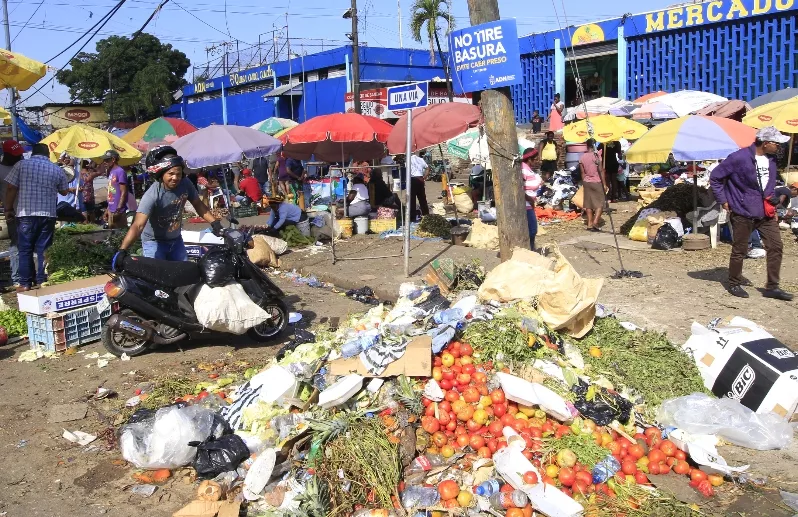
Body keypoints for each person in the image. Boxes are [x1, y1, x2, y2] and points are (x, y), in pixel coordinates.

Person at [709, 126, 793, 301]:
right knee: (740, 249)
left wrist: (774, 202)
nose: (779, 147)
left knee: (776, 246)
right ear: (765, 143)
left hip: (765, 212)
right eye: (777, 144)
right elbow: (715, 177)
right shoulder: (738, 158)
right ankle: (734, 283)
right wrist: (723, 200)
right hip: (742, 211)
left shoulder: (771, 160)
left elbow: (767, 184)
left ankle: (772, 287)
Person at [115, 146, 220, 263]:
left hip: (176, 240)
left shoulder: (185, 183)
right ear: (161, 173)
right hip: (154, 242)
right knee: (156, 277)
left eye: (178, 174)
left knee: (183, 274)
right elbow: (138, 225)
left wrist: (214, 223)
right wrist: (122, 250)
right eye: (170, 174)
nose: (175, 178)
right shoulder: (152, 195)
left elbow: (198, 204)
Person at [3, 143, 69, 291]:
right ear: (47, 155)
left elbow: (11, 188)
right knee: (44, 249)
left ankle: (25, 283)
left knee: (25, 249)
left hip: (26, 215)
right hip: (48, 215)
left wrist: (8, 208)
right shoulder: (56, 168)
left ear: (33, 153)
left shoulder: (21, 165)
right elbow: (64, 191)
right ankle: (42, 280)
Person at [0, 140, 24, 288]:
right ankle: (16, 278)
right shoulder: (0, 170)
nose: (19, 156)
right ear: (7, 154)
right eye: (15, 154)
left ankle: (28, 275)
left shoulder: (21, 166)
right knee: (16, 245)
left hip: (28, 211)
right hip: (12, 214)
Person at [579, 140, 606, 232]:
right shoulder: (596, 156)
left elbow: (582, 173)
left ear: (587, 146)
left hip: (587, 181)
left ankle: (589, 224)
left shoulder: (582, 157)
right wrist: (604, 183)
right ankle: (595, 222)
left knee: (588, 204)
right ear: (594, 145)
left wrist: (584, 183)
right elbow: (601, 170)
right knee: (600, 203)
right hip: (597, 181)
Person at [100, 150, 129, 229]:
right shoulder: (111, 172)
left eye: (106, 160)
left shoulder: (120, 171)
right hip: (111, 210)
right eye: (104, 160)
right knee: (111, 235)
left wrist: (118, 209)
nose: (104, 162)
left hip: (118, 211)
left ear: (113, 159)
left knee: (120, 235)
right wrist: (107, 209)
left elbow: (123, 191)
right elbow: (112, 193)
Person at [521, 148, 543, 249]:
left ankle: (530, 248)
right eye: (535, 159)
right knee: (532, 229)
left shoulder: (528, 170)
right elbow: (519, 187)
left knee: (531, 229)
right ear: (529, 159)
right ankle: (529, 248)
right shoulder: (523, 170)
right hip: (525, 203)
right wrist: (529, 199)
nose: (537, 161)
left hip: (529, 203)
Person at [409, 150, 430, 221]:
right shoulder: (421, 159)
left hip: (413, 179)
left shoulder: (408, 159)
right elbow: (427, 168)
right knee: (422, 198)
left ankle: (412, 217)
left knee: (412, 199)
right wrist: (424, 177)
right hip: (420, 179)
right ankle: (426, 215)